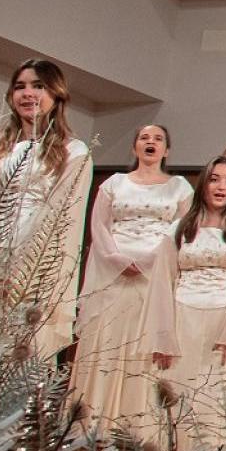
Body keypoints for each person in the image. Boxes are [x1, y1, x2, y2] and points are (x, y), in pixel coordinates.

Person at [74, 124, 192, 429]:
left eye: (158, 139)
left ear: (167, 150)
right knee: (106, 337)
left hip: (154, 272)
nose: (150, 142)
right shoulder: (114, 183)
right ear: (134, 147)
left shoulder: (180, 187)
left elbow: (181, 230)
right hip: (113, 272)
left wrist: (149, 260)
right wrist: (116, 258)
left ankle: (137, 422)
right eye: (144, 138)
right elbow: (98, 225)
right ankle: (95, 418)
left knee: (144, 338)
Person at [0, 59, 93, 356]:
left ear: (57, 95)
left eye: (38, 86)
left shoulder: (73, 152)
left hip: (29, 270)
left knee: (10, 357)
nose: (27, 93)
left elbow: (59, 217)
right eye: (20, 87)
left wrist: (18, 274)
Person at [146, 158, 226, 447]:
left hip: (224, 324)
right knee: (176, 400)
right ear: (204, 184)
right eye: (215, 179)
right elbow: (162, 282)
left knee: (214, 405)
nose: (221, 186)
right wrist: (163, 337)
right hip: (181, 319)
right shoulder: (179, 228)